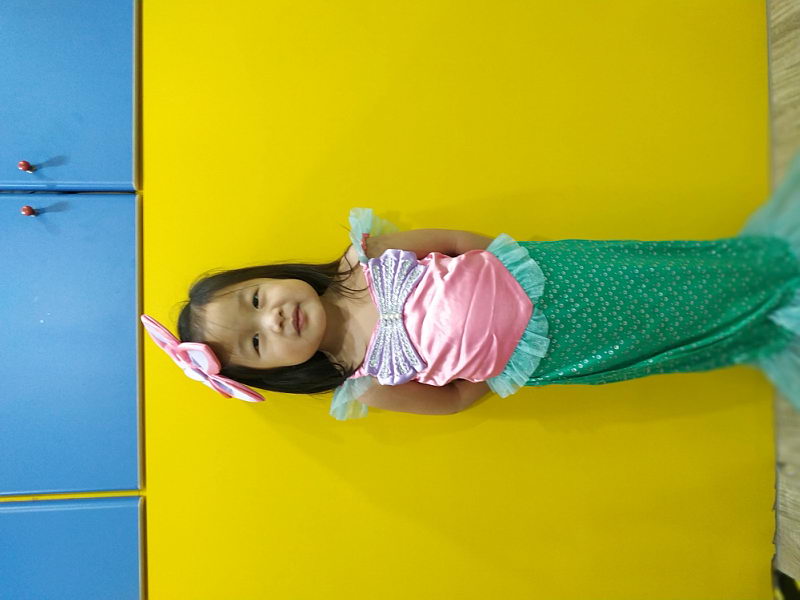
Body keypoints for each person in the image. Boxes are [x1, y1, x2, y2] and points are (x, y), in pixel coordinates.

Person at [141, 151, 800, 421]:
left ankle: (763, 274)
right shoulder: (369, 381)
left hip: (555, 276)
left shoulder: (369, 259)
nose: (274, 319)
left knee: (657, 279)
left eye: (257, 300)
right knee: (655, 332)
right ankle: (761, 323)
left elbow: (455, 243)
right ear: (280, 372)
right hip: (555, 350)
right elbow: (452, 399)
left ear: (267, 276)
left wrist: (507, 265)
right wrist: (503, 361)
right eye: (257, 343)